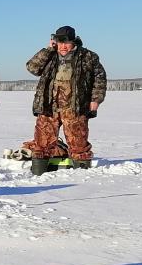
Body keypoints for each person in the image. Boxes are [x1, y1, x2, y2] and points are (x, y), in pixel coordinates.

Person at [19, 25, 107, 170]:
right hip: (49, 106)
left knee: (79, 145)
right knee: (42, 144)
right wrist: (48, 49)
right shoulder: (50, 55)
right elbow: (32, 68)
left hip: (75, 107)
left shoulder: (88, 56)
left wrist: (95, 100)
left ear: (74, 42)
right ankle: (39, 171)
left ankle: (83, 178)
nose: (63, 46)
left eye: (67, 43)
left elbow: (100, 78)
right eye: (60, 43)